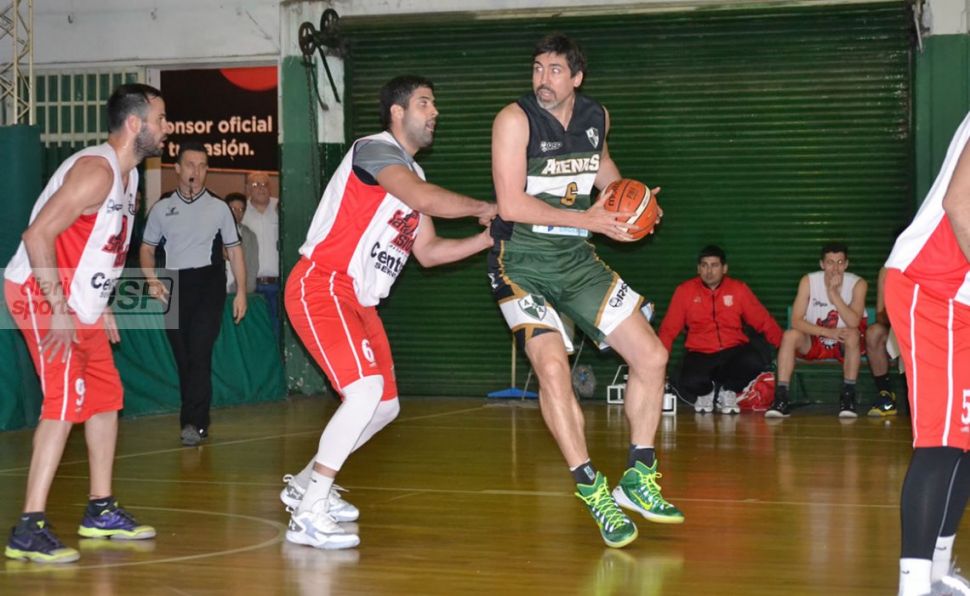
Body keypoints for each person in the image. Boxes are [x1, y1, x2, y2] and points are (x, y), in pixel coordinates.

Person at [280, 75, 496, 551]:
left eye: (434, 104)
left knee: (383, 407)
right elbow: (422, 199)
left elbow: (430, 252)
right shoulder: (374, 150)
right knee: (363, 393)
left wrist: (487, 238)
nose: (434, 112)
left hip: (359, 300)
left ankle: (305, 485)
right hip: (323, 284)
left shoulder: (412, 175)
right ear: (397, 112)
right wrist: (486, 207)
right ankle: (309, 514)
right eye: (424, 103)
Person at [488, 33, 683, 549]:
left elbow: (601, 170)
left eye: (555, 70)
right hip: (521, 263)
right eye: (537, 68)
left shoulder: (597, 116)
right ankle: (592, 488)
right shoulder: (514, 120)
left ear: (576, 77)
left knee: (652, 356)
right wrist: (589, 220)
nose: (543, 79)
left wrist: (632, 203)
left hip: (576, 261)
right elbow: (510, 205)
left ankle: (638, 477)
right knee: (553, 369)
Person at [3, 84, 167, 563]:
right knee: (62, 402)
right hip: (40, 291)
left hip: (80, 301)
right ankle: (28, 528)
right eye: (160, 118)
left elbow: (97, 245)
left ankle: (100, 509)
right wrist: (57, 306)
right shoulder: (96, 171)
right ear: (135, 124)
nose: (167, 127)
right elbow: (37, 235)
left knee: (105, 398)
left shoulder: (129, 176)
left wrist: (102, 301)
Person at [885, 112, 970, 596]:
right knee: (940, 442)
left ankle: (936, 572)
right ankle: (914, 586)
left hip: (962, 296)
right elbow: (960, 205)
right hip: (932, 287)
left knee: (965, 439)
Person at [140, 141, 247, 447]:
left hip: (209, 283)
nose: (196, 172)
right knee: (184, 357)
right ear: (177, 168)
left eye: (202, 166)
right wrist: (151, 278)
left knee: (200, 352)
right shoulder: (162, 208)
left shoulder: (219, 207)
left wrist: (241, 291)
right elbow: (147, 249)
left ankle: (194, 423)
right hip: (174, 284)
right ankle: (196, 419)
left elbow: (235, 251)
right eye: (190, 165)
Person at [658, 245, 782, 415]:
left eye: (714, 265)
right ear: (698, 269)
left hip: (733, 351)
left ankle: (728, 391)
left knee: (754, 361)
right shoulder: (684, 291)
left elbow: (763, 320)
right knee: (687, 380)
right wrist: (659, 364)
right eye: (704, 265)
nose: (709, 271)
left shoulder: (738, 289)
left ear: (724, 268)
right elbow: (668, 330)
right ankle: (706, 393)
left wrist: (784, 347)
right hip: (700, 352)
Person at [765, 242, 867, 419]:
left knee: (852, 335)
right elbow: (796, 320)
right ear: (822, 264)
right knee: (789, 336)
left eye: (840, 262)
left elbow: (853, 321)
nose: (835, 268)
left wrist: (834, 295)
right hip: (816, 337)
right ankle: (781, 398)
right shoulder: (808, 281)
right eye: (830, 262)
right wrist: (828, 332)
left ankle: (848, 396)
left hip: (844, 341)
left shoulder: (858, 284)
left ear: (846, 264)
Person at [241, 171, 280, 338]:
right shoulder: (241, 211)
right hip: (250, 285)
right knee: (254, 333)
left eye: (265, 184)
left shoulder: (280, 207)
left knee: (277, 331)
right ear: (248, 189)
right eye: (256, 185)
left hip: (278, 285)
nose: (261, 188)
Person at [864, 266, 898, 417]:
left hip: (926, 329)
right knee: (874, 333)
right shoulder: (887, 271)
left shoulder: (933, 267)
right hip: (898, 327)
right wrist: (896, 316)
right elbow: (880, 315)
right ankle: (886, 395)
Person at [225, 192, 259, 294]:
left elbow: (252, 267)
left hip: (239, 291)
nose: (237, 213)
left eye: (241, 210)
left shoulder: (250, 236)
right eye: (233, 209)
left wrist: (245, 292)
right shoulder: (214, 233)